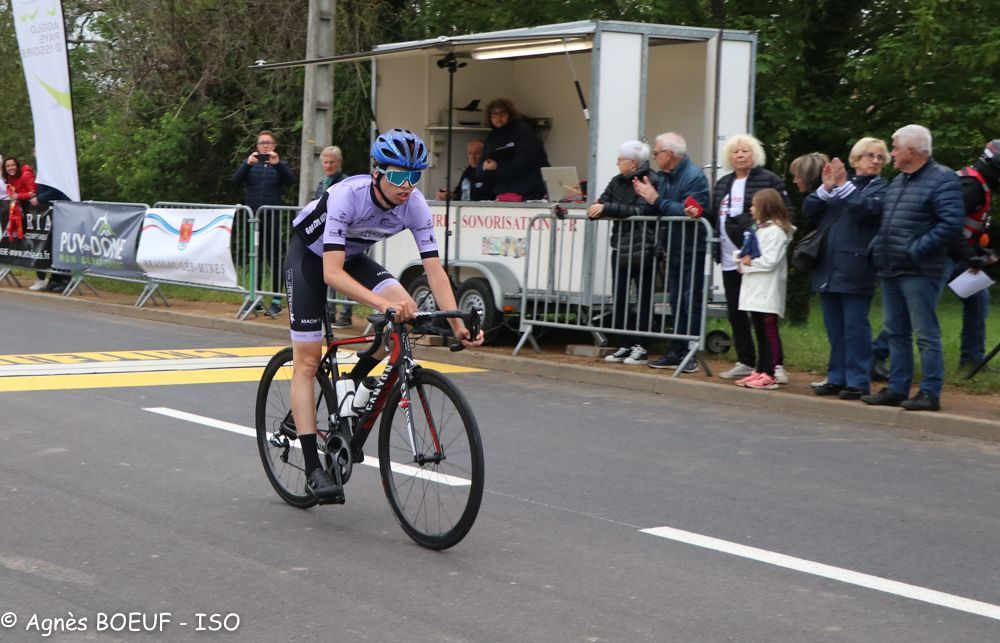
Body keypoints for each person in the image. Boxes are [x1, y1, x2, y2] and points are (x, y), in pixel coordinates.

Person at [285, 128, 483, 502]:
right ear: (378, 172)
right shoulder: (347, 195)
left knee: (407, 314)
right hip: (311, 259)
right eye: (398, 175)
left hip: (352, 257)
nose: (406, 185)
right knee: (308, 362)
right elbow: (331, 273)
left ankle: (355, 380)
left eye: (414, 176)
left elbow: (435, 270)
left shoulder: (415, 204)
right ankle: (313, 468)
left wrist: (458, 325)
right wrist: (381, 305)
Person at [861, 124, 964, 412]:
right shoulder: (898, 181)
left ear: (911, 150)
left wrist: (915, 249)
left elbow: (951, 224)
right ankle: (898, 388)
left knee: (925, 334)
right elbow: (888, 222)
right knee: (896, 331)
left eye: (895, 148)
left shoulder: (943, 178)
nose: (891, 154)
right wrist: (877, 248)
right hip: (890, 267)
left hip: (920, 269)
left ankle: (930, 393)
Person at [801, 138, 888, 399]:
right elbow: (809, 210)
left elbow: (868, 210)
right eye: (870, 155)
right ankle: (837, 377)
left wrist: (843, 186)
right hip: (828, 265)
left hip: (857, 265)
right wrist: (826, 188)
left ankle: (858, 381)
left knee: (855, 327)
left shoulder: (883, 187)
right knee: (835, 328)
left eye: (880, 157)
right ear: (855, 159)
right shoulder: (842, 184)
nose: (876, 161)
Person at [711, 134, 792, 382]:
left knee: (761, 314)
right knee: (736, 310)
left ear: (755, 153)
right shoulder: (723, 182)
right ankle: (746, 361)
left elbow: (783, 212)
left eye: (745, 151)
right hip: (731, 258)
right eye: (735, 151)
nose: (740, 155)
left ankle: (773, 365)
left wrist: (751, 236)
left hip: (756, 258)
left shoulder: (769, 180)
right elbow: (714, 213)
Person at [632, 132, 710, 371]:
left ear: (670, 154)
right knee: (676, 301)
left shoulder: (695, 177)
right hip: (673, 247)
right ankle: (676, 350)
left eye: (657, 153)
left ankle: (690, 353)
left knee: (690, 301)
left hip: (692, 247)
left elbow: (689, 211)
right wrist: (647, 198)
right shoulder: (665, 176)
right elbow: (661, 208)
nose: (654, 157)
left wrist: (656, 200)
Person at [588, 140, 662, 365]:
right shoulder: (616, 181)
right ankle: (626, 343)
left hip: (644, 247)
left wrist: (607, 208)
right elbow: (604, 201)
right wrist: (597, 208)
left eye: (620, 159)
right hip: (620, 246)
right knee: (619, 297)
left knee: (644, 298)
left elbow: (642, 209)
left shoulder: (650, 179)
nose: (617, 162)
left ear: (632, 162)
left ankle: (642, 346)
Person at [730, 189, 795, 389]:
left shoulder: (776, 232)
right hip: (755, 290)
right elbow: (748, 253)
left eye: (754, 205)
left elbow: (769, 261)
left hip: (767, 290)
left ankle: (770, 373)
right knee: (759, 331)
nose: (751, 209)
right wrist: (741, 258)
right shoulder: (758, 229)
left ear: (765, 208)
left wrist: (747, 263)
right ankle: (760, 369)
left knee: (768, 332)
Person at [947, 138, 999, 371]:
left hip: (953, 254)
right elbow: (949, 227)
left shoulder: (978, 184)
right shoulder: (971, 187)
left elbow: (965, 229)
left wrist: (978, 251)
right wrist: (970, 256)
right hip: (939, 256)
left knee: (978, 297)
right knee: (920, 307)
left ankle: (971, 360)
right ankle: (878, 353)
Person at [231, 130, 295, 316]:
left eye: (268, 142)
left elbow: (290, 181)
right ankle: (254, 298)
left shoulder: (280, 164)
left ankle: (276, 300)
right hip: (253, 219)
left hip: (272, 217)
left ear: (274, 146)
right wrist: (246, 165)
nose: (265, 145)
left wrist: (278, 165)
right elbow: (235, 182)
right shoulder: (250, 164)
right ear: (257, 147)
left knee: (274, 258)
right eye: (262, 143)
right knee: (254, 257)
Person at [476, 98, 548, 200]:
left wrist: (497, 167)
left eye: (502, 114)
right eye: (494, 115)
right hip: (504, 194)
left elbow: (525, 162)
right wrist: (484, 167)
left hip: (529, 192)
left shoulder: (522, 131)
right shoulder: (492, 137)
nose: (498, 118)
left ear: (510, 115)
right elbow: (480, 168)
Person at [313, 145, 353, 327]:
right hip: (327, 235)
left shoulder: (345, 183)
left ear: (339, 163)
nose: (328, 166)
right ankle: (329, 312)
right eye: (325, 162)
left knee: (345, 273)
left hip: (346, 236)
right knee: (329, 272)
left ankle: (346, 313)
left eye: (332, 162)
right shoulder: (322, 183)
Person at [31, 183, 73, 293]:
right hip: (53, 211)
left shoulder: (58, 175)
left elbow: (58, 189)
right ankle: (55, 278)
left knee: (63, 245)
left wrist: (39, 198)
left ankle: (65, 280)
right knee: (53, 246)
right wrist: (36, 195)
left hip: (65, 209)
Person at [4, 156, 35, 250]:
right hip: (19, 212)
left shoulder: (25, 175)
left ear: (17, 166)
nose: (10, 168)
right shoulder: (9, 178)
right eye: (8, 166)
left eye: (13, 165)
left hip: (31, 213)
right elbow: (12, 192)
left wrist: (19, 196)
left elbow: (34, 193)